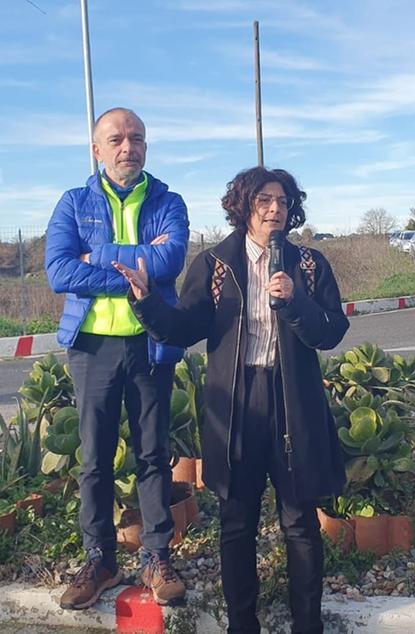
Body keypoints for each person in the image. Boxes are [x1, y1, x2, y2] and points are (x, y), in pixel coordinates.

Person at [114, 166, 349, 634]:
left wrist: (297, 302)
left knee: (300, 524)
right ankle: (243, 625)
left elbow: (331, 331)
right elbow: (184, 328)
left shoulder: (307, 265)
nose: (275, 210)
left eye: (282, 202)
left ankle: (308, 625)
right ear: (244, 207)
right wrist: (146, 302)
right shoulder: (215, 266)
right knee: (237, 524)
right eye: (264, 201)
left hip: (293, 402)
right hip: (237, 404)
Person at [44, 107, 189, 609]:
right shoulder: (73, 202)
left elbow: (169, 262)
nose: (128, 147)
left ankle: (155, 557)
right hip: (92, 348)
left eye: (138, 139)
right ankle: (99, 560)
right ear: (97, 149)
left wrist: (97, 257)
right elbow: (60, 272)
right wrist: (134, 264)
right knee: (95, 460)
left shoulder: (168, 200)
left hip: (150, 344)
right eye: (117, 139)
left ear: (146, 146)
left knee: (152, 456)